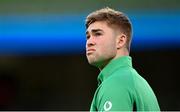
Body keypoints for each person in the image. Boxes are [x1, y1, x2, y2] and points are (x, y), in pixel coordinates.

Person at [85, 7, 160, 111]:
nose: (89, 42)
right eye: (88, 36)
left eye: (97, 34)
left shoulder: (116, 83)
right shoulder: (137, 81)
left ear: (120, 41)